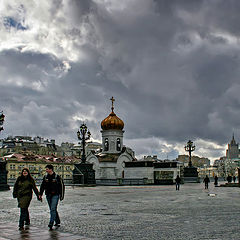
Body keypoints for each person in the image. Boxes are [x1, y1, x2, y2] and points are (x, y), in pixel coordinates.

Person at [39, 164, 65, 230]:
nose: (46, 170)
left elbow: (61, 186)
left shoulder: (57, 177)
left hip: (55, 195)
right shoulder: (45, 177)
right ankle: (57, 221)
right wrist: (40, 194)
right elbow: (42, 186)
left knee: (53, 208)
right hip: (48, 195)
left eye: (47, 169)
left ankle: (51, 222)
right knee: (52, 208)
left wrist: (61, 195)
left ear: (51, 169)